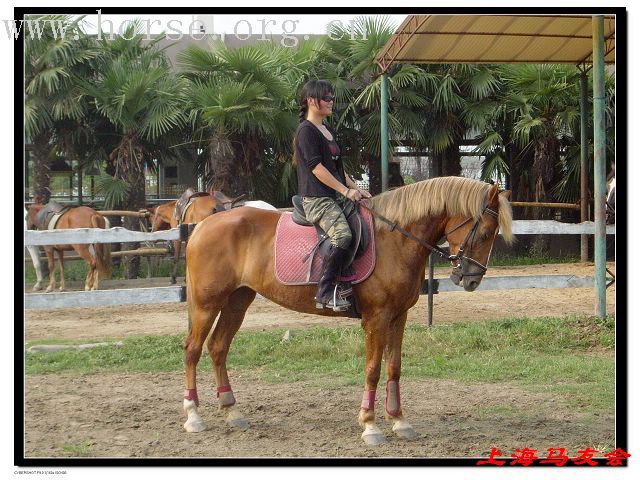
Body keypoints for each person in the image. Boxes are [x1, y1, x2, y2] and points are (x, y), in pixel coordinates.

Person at [294, 79, 371, 311]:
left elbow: (338, 169)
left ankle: (349, 282)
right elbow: (317, 169)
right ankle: (325, 292)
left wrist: (355, 189)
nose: (331, 102)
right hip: (317, 199)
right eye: (326, 98)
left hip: (336, 196)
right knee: (342, 236)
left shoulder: (327, 130)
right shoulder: (306, 131)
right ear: (311, 101)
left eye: (331, 97)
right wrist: (345, 191)